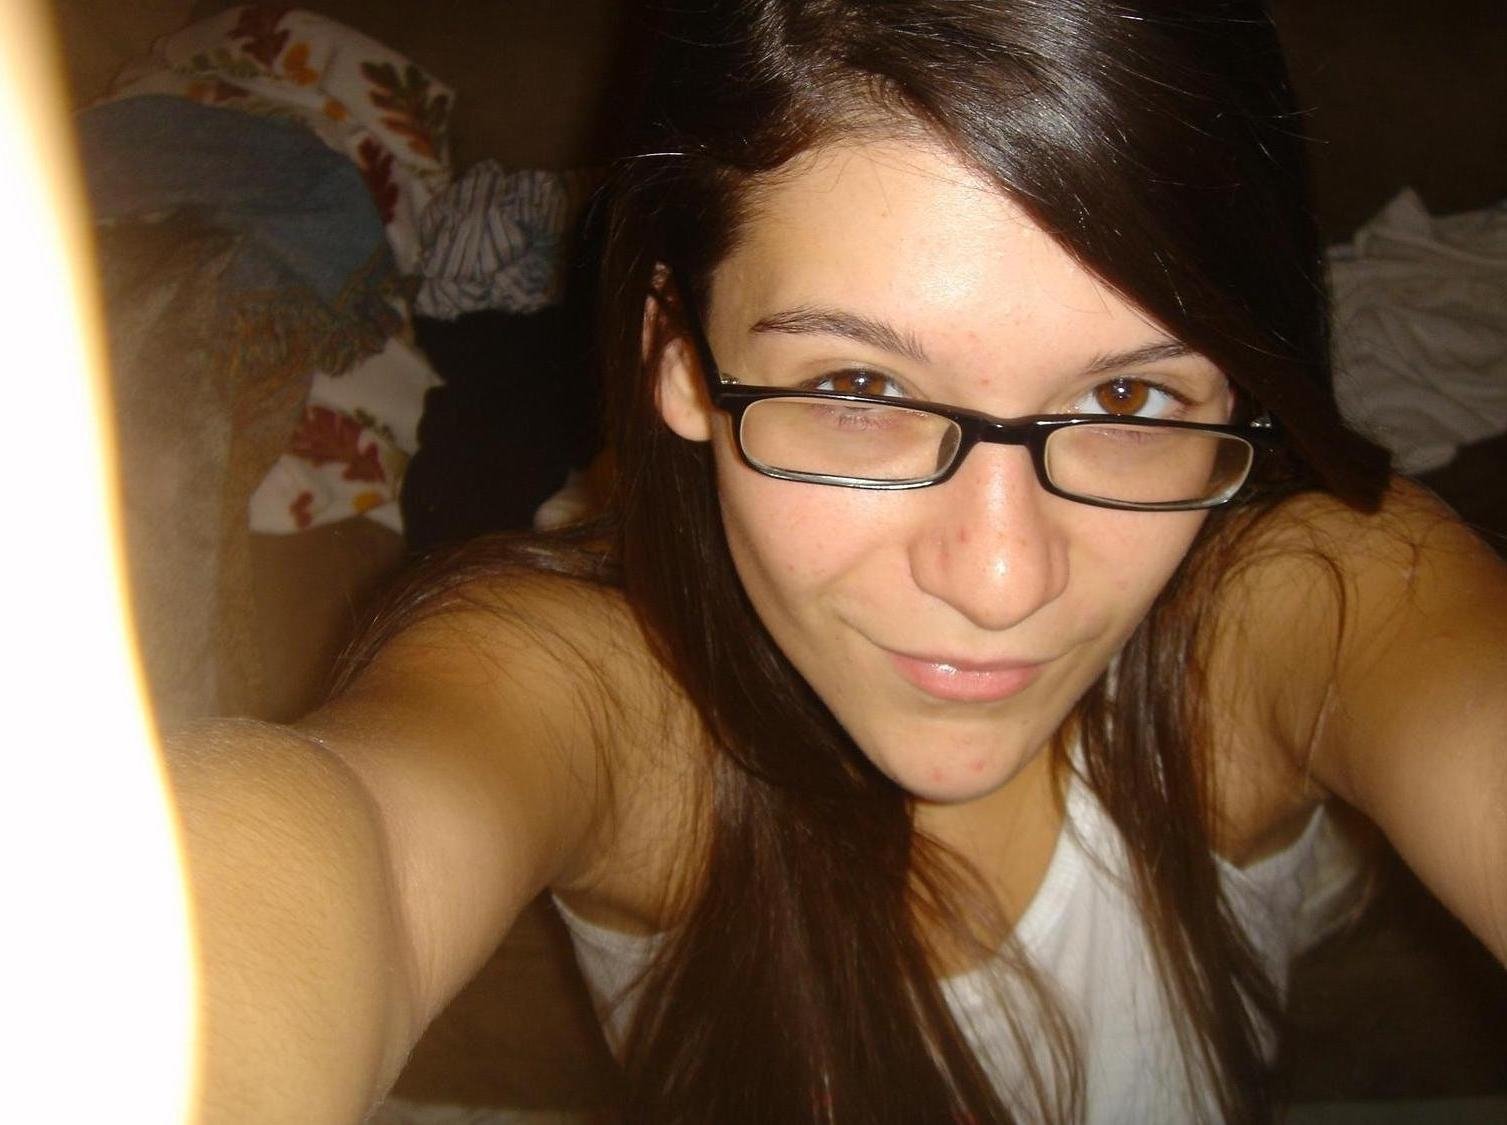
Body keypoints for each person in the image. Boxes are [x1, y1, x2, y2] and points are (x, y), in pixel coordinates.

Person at [167, 1, 1507, 1122]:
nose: (999, 579)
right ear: (681, 358)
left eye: (1128, 399)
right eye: (858, 387)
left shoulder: (1299, 603)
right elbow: (327, 856)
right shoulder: (610, 699)